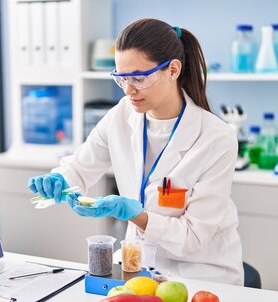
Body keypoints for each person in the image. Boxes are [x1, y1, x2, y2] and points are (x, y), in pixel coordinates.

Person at [28, 18, 243, 285]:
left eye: (139, 78)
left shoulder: (216, 139)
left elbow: (193, 239)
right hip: (137, 262)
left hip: (201, 272)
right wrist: (60, 179)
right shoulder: (122, 115)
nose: (129, 90)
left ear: (173, 70)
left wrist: (134, 215)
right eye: (122, 78)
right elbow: (81, 165)